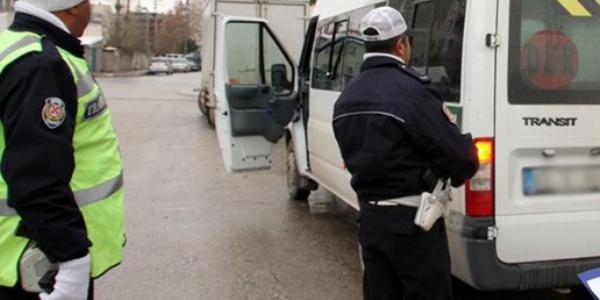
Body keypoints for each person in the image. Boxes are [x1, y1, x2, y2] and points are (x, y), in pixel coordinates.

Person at [332, 6, 479, 300]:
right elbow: (460, 158)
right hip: (413, 227)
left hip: (371, 221)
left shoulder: (346, 97)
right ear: (401, 44)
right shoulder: (411, 91)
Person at [0, 0, 125, 299]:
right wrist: (72, 262)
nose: (90, 7)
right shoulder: (43, 65)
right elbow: (37, 175)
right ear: (69, 7)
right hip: (35, 258)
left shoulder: (13, 45)